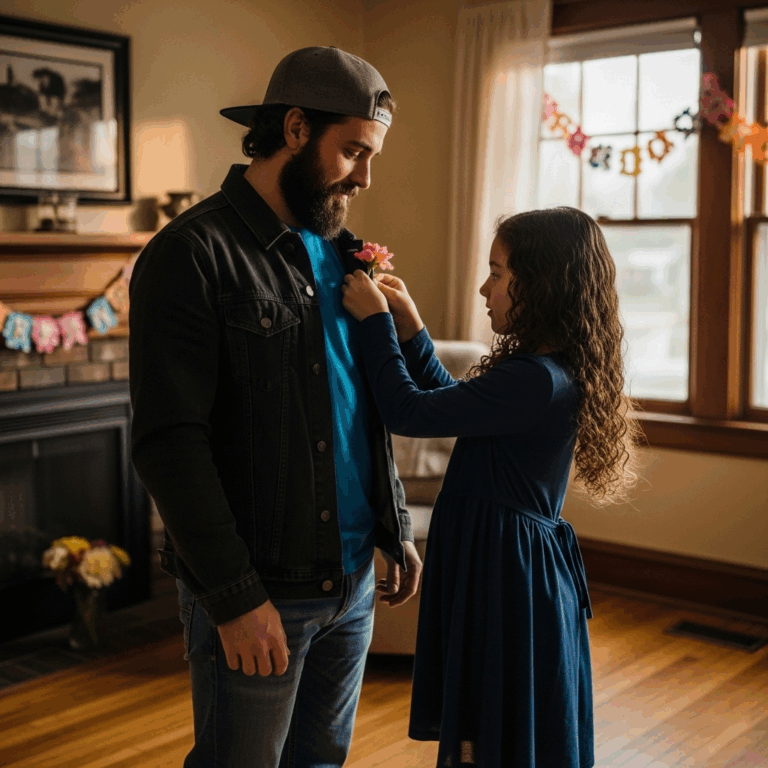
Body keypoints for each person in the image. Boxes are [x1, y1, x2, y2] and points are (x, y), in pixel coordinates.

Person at [129, 46, 422, 768]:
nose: (365, 176)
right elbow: (170, 445)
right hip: (263, 590)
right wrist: (233, 598)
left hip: (352, 585)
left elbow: (360, 409)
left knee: (322, 760)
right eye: (353, 151)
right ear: (295, 128)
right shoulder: (191, 254)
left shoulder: (349, 256)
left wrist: (397, 523)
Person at [341, 206, 640, 768]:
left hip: (506, 572)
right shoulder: (539, 370)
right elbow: (450, 405)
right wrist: (411, 330)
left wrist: (376, 324)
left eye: (497, 273)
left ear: (540, 283)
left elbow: (407, 410)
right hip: (506, 563)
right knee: (491, 719)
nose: (484, 287)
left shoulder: (534, 378)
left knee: (492, 720)